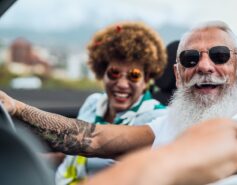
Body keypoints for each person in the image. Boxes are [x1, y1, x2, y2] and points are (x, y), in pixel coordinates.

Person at [0, 21, 237, 184]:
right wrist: (15, 107)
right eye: (191, 59)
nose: (204, 67)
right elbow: (96, 139)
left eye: (218, 56)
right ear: (178, 75)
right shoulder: (169, 121)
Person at [54, 21, 168, 185]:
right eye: (114, 73)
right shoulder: (93, 103)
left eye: (134, 75)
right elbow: (69, 156)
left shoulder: (158, 119)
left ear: (147, 79)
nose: (122, 84)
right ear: (102, 72)